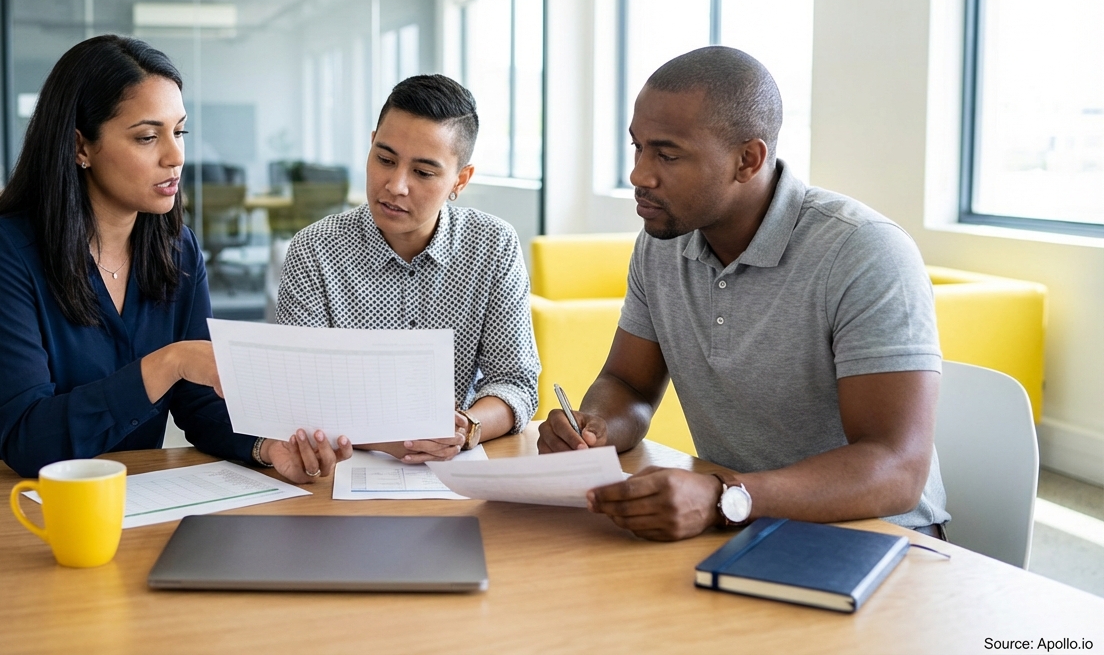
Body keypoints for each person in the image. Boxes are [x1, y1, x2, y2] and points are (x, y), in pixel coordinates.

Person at [539, 46, 948, 540]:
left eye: (667, 154)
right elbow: (628, 384)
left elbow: (896, 469)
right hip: (744, 521)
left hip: (878, 535)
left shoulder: (863, 251)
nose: (639, 176)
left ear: (747, 160)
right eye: (637, 147)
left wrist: (723, 498)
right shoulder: (662, 244)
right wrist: (596, 428)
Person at [0, 35, 352, 482]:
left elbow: (199, 403)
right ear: (80, 147)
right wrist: (168, 362)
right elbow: (30, 443)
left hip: (115, 497)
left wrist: (267, 448)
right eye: (148, 137)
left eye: (179, 131)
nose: (175, 156)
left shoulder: (177, 249)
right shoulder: (0, 253)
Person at [275, 74, 539, 462]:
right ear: (370, 147)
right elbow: (297, 393)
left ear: (460, 180)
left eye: (423, 172)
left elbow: (515, 382)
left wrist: (466, 427)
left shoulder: (493, 246)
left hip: (453, 466)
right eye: (384, 159)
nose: (395, 185)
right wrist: (390, 439)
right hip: (341, 468)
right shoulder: (314, 249)